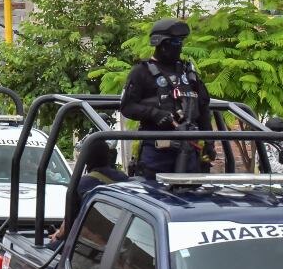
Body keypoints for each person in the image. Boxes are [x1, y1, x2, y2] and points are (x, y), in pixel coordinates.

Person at [119, 18, 213, 180]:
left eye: (181, 42)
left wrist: (210, 142)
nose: (180, 47)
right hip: (157, 153)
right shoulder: (141, 72)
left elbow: (203, 108)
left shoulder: (188, 73)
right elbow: (127, 107)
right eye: (175, 43)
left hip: (189, 150)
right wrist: (154, 113)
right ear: (161, 45)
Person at [50, 142, 128, 242]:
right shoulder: (125, 179)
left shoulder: (82, 184)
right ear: (109, 156)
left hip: (93, 243)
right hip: (123, 239)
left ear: (86, 159)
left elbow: (68, 225)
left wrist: (56, 236)